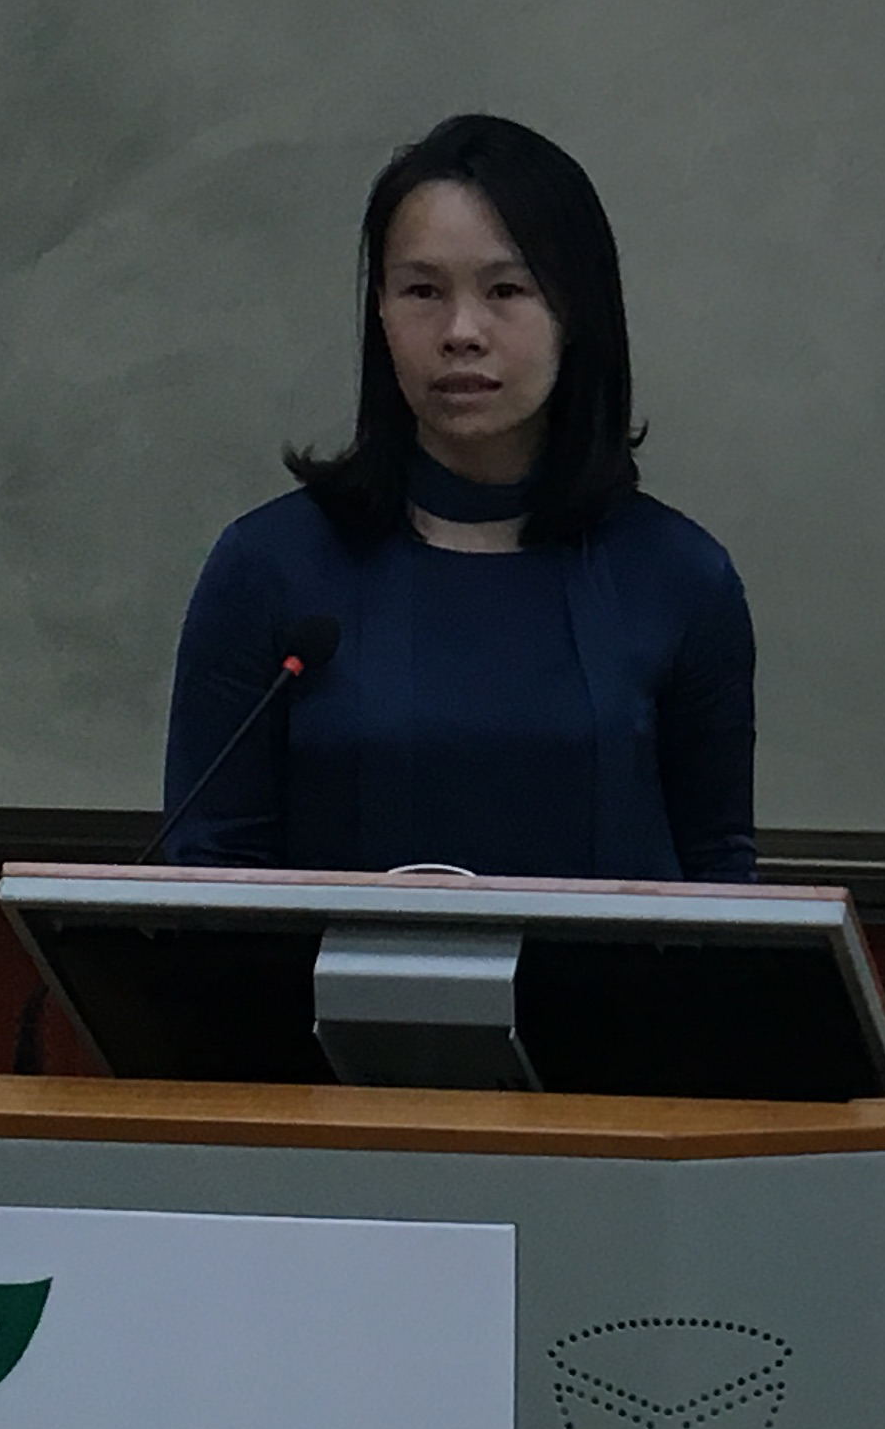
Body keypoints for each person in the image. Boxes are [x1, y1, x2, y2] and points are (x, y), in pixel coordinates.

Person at [158, 113, 754, 878]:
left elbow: (718, 869)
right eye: (422, 291)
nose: (461, 331)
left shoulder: (679, 576)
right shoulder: (268, 569)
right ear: (380, 311)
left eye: (506, 289)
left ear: (576, 311)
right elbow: (212, 864)